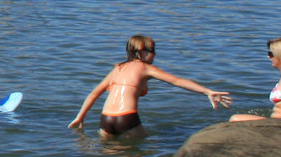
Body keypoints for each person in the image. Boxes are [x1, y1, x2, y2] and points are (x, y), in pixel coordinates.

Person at [68, 35, 230, 138]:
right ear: (140, 53)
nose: (155, 54)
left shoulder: (117, 68)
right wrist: (207, 91)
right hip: (127, 117)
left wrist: (80, 117)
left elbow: (93, 94)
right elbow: (177, 81)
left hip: (105, 119)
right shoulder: (146, 68)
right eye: (152, 50)